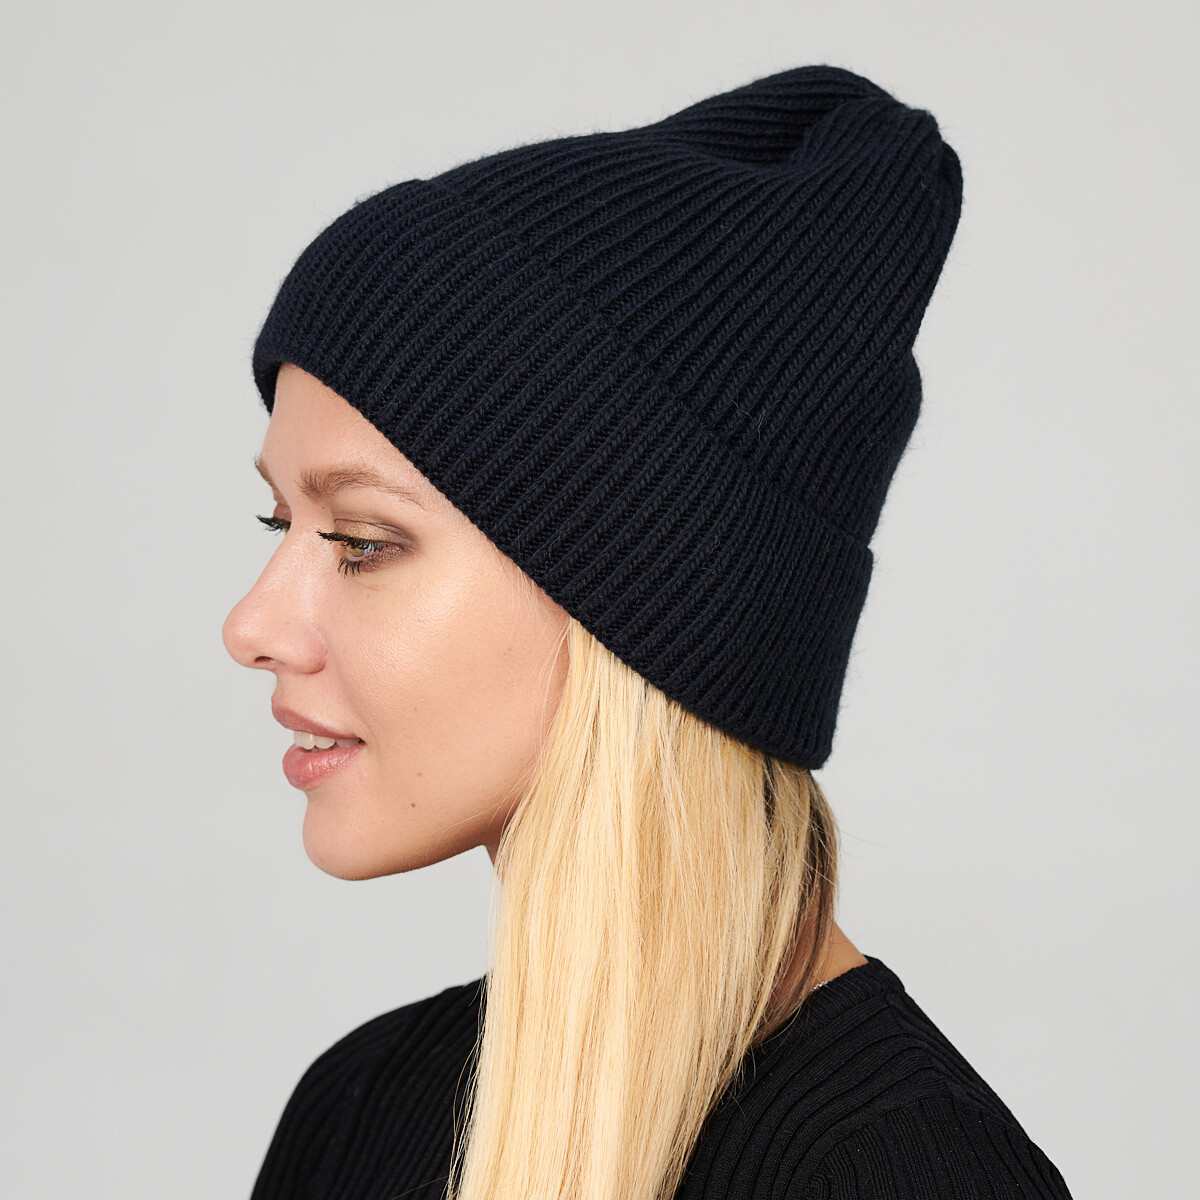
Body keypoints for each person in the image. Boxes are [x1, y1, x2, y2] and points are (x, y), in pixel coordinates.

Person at [223, 64, 1074, 1199]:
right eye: (278, 521)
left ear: (650, 604)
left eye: (363, 541)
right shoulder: (363, 1112)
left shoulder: (902, 1176)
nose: (250, 625)